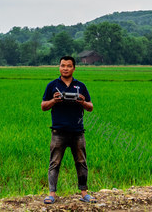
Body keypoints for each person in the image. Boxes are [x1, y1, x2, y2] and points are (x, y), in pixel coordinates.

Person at [41, 55, 93, 204]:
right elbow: (43, 106)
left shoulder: (80, 86)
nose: (65, 68)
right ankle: (51, 194)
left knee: (81, 162)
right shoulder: (52, 85)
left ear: (74, 68)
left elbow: (90, 107)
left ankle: (84, 193)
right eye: (63, 65)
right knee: (54, 163)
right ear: (59, 67)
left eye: (69, 66)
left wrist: (82, 101)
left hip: (77, 132)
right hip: (58, 132)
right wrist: (54, 100)